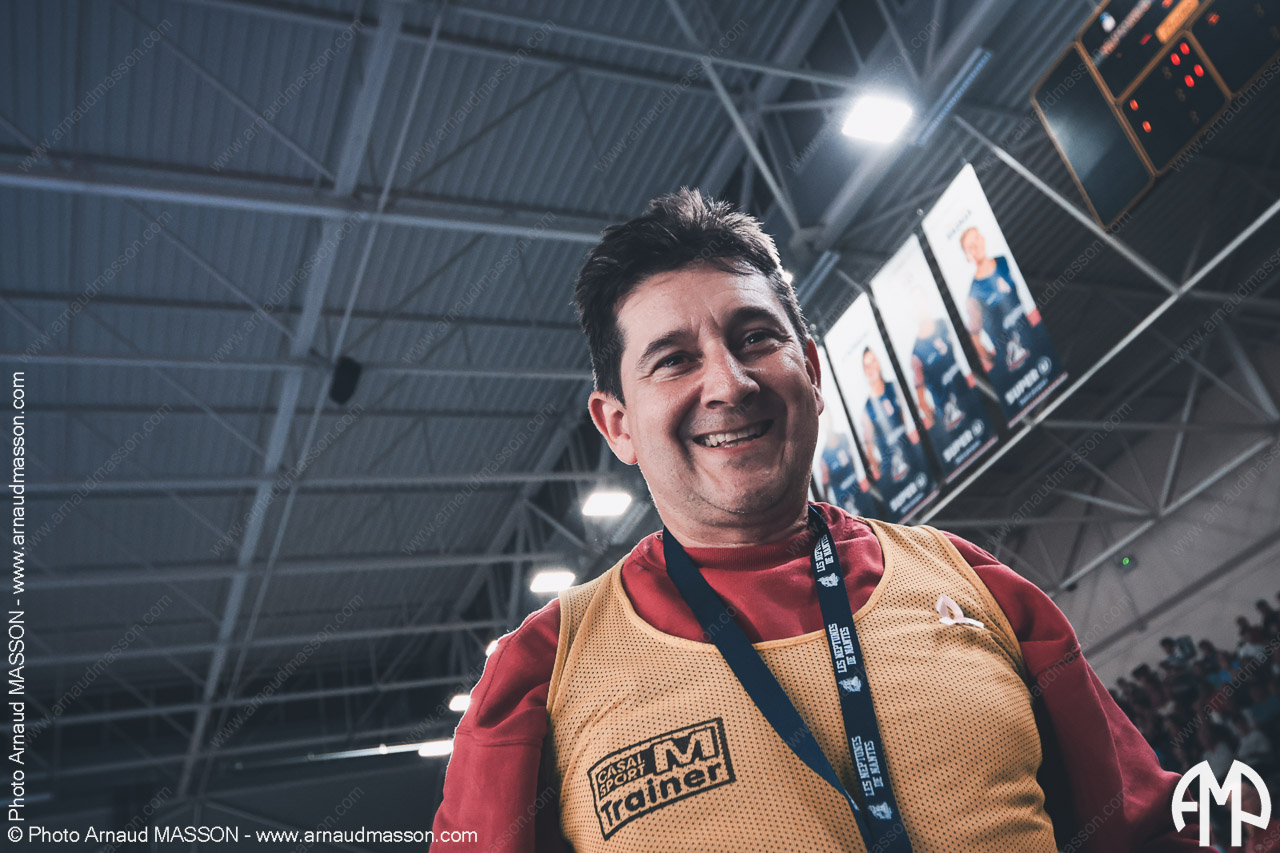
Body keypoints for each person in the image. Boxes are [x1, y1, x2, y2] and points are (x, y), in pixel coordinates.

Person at [432, 190, 1197, 850]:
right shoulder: (543, 670)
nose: (730, 383)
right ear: (618, 424)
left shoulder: (973, 583)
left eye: (755, 338)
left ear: (813, 369)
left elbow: (1147, 830)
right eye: (674, 359)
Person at [959, 226, 1055, 386]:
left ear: (983, 238)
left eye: (976, 239)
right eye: (970, 246)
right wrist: (994, 359)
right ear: (967, 256)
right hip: (1014, 367)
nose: (976, 246)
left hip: (1037, 344)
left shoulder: (1004, 261)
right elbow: (976, 340)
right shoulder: (973, 296)